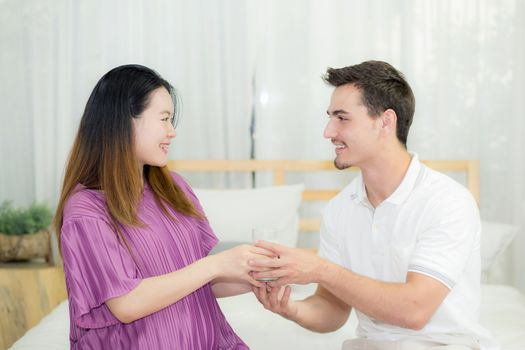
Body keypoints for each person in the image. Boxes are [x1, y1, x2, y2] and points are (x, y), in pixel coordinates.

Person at [249, 61, 497, 349]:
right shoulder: (341, 208)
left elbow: (414, 310)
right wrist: (290, 308)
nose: (328, 132)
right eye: (330, 118)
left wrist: (320, 269)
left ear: (385, 122)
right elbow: (331, 308)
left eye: (342, 118)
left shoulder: (447, 201)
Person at [53, 64, 275, 349]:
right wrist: (216, 264)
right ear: (124, 121)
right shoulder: (86, 211)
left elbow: (202, 283)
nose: (172, 132)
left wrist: (257, 278)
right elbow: (126, 303)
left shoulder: (174, 188)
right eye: (164, 119)